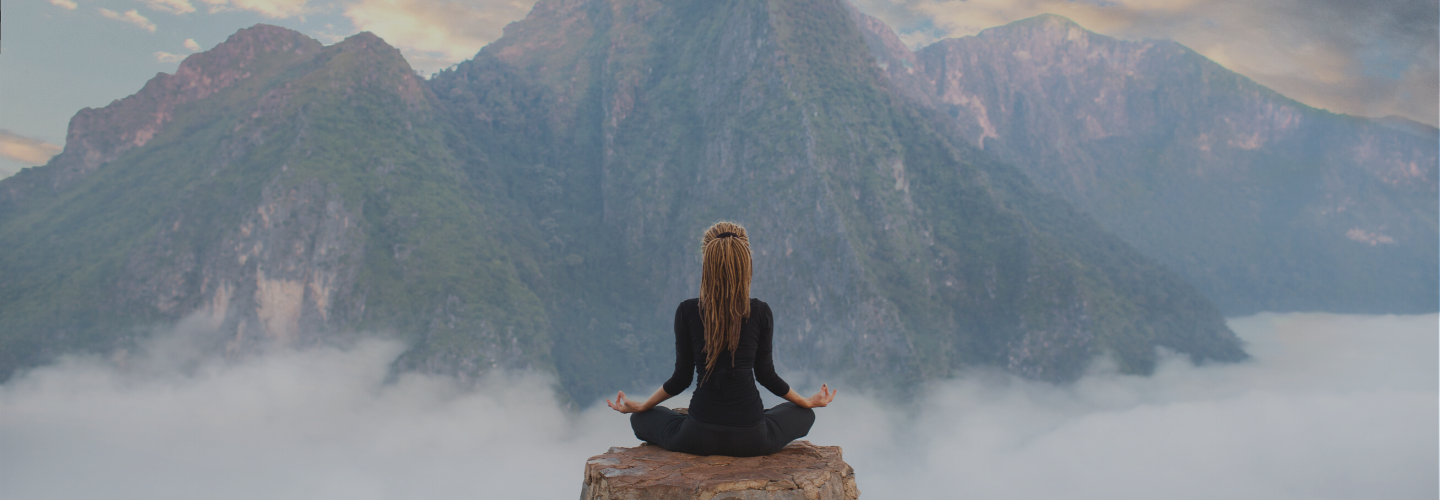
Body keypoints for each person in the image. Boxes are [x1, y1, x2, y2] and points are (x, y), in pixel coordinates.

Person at [606, 221, 837, 457]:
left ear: (707, 263)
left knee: (640, 419)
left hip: (696, 436)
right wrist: (807, 402)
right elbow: (766, 375)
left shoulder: (687, 311)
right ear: (746, 262)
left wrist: (644, 405)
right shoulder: (760, 311)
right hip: (754, 439)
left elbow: (681, 378)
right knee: (804, 414)